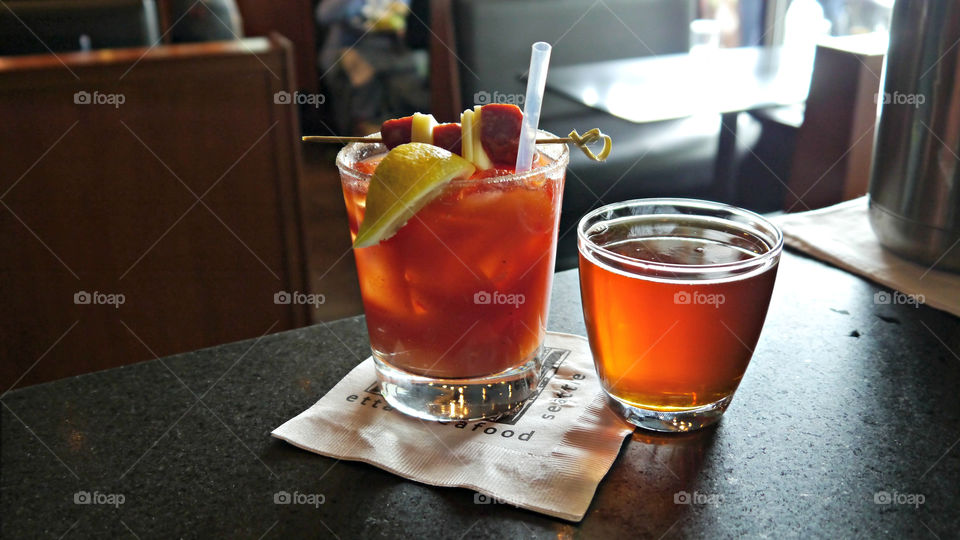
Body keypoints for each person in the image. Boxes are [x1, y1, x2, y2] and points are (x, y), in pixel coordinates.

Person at [316, 0, 429, 135]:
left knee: (416, 89)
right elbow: (324, 15)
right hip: (352, 46)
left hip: (396, 49)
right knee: (360, 72)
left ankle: (411, 135)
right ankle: (369, 137)